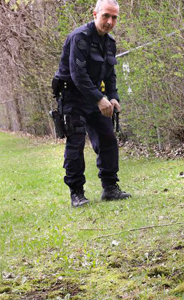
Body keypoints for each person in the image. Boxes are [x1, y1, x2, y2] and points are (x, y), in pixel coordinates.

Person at [54, 0, 131, 207]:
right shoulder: (79, 38)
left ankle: (110, 188)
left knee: (108, 139)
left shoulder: (110, 42)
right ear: (94, 14)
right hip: (73, 98)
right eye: (106, 15)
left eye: (114, 17)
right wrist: (100, 98)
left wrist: (113, 96)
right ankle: (77, 193)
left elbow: (110, 74)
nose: (109, 21)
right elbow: (78, 75)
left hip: (98, 97)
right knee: (76, 143)